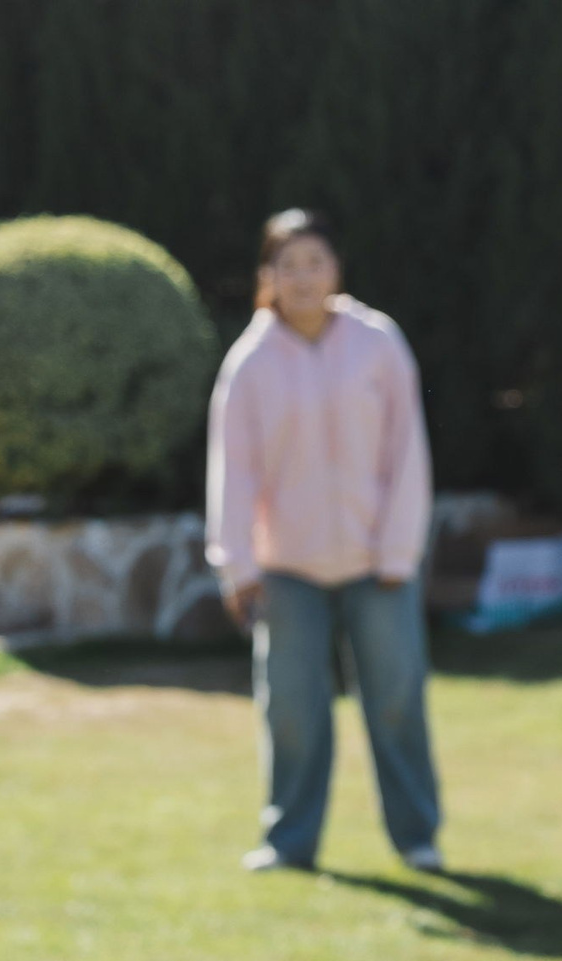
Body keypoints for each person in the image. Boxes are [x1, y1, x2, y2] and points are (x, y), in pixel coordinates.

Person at [206, 207, 441, 877]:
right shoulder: (250, 363)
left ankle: (417, 837)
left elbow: (407, 452)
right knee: (293, 712)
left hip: (377, 564)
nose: (303, 278)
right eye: (289, 266)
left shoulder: (378, 343)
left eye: (315, 262)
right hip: (287, 569)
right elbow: (233, 472)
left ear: (336, 269)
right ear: (268, 276)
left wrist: (398, 552)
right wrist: (237, 567)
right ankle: (289, 842)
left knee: (395, 701)